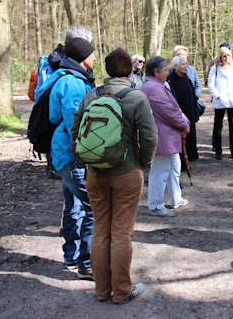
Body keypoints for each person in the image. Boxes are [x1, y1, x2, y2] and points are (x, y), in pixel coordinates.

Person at [72, 48, 157, 304]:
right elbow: (150, 137)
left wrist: (87, 161)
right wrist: (141, 163)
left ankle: (101, 290)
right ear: (130, 69)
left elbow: (75, 132)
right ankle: (121, 291)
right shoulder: (136, 97)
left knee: (100, 230)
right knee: (121, 233)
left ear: (107, 70)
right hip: (126, 174)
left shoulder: (90, 96)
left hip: (95, 174)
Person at [37, 36, 96, 280]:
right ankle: (88, 263)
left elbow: (53, 118)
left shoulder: (61, 78)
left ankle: (71, 256)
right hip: (73, 156)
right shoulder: (72, 83)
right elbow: (78, 124)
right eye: (92, 54)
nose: (95, 58)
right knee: (94, 207)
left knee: (72, 206)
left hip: (62, 154)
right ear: (83, 57)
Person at [142, 56, 190, 217]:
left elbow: (173, 108)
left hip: (167, 136)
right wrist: (183, 123)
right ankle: (155, 205)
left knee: (173, 168)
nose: (168, 71)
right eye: (165, 69)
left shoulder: (157, 85)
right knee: (160, 171)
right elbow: (169, 111)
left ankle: (175, 198)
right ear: (156, 72)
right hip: (163, 136)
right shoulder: (153, 88)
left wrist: (184, 121)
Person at [208, 45, 233, 160]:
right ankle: (218, 150)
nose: (227, 58)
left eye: (228, 56)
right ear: (220, 57)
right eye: (224, 56)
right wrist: (217, 95)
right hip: (220, 101)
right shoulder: (215, 68)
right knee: (218, 126)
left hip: (232, 100)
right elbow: (210, 84)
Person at [168, 55, 199, 162]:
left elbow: (193, 97)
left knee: (191, 136)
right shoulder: (170, 80)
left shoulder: (186, 79)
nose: (185, 66)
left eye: (185, 64)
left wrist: (195, 113)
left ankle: (191, 156)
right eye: (182, 64)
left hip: (190, 112)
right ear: (175, 66)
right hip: (179, 114)